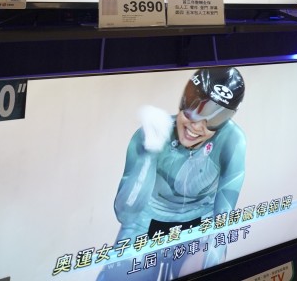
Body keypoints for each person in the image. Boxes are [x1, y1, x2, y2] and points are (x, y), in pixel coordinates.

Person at [98, 67, 247, 280]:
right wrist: (149, 154)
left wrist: (213, 260)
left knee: (209, 261)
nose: (197, 126)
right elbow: (126, 214)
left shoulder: (232, 139)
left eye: (215, 119)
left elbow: (223, 219)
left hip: (198, 224)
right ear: (184, 100)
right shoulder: (153, 132)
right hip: (146, 223)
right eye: (194, 108)